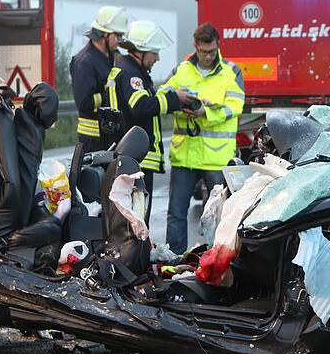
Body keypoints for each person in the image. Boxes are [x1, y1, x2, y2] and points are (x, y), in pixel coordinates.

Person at [161, 22, 245, 254]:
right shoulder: (182, 70)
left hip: (216, 159)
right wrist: (181, 101)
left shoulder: (231, 72)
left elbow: (235, 107)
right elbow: (162, 96)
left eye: (211, 51)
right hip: (185, 156)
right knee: (176, 213)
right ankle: (174, 260)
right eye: (203, 52)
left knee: (221, 215)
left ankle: (217, 258)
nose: (207, 57)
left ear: (218, 46)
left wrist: (205, 112)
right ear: (195, 47)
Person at [104, 20, 193, 221]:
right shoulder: (132, 74)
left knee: (132, 217)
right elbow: (141, 107)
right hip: (136, 158)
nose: (158, 58)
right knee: (138, 218)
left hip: (129, 155)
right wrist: (174, 98)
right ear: (141, 51)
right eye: (154, 53)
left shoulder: (127, 69)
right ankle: (138, 253)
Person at [69, 6, 128, 154]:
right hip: (92, 140)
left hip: (110, 134)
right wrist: (109, 92)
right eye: (118, 36)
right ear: (105, 35)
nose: (120, 41)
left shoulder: (113, 56)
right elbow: (84, 103)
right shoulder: (84, 62)